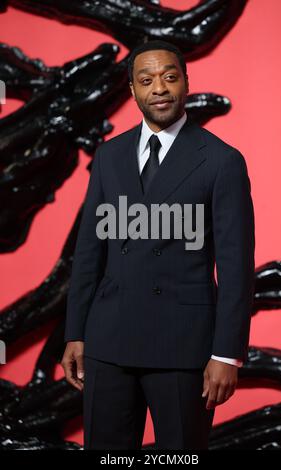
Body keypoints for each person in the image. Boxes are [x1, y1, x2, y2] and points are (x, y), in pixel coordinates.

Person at [61, 40, 255, 450]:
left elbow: (236, 266)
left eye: (169, 77)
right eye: (146, 80)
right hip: (108, 341)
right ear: (132, 90)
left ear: (186, 82)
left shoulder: (221, 160)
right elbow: (90, 252)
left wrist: (226, 354)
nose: (159, 89)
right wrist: (75, 331)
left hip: (184, 348)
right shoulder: (109, 155)